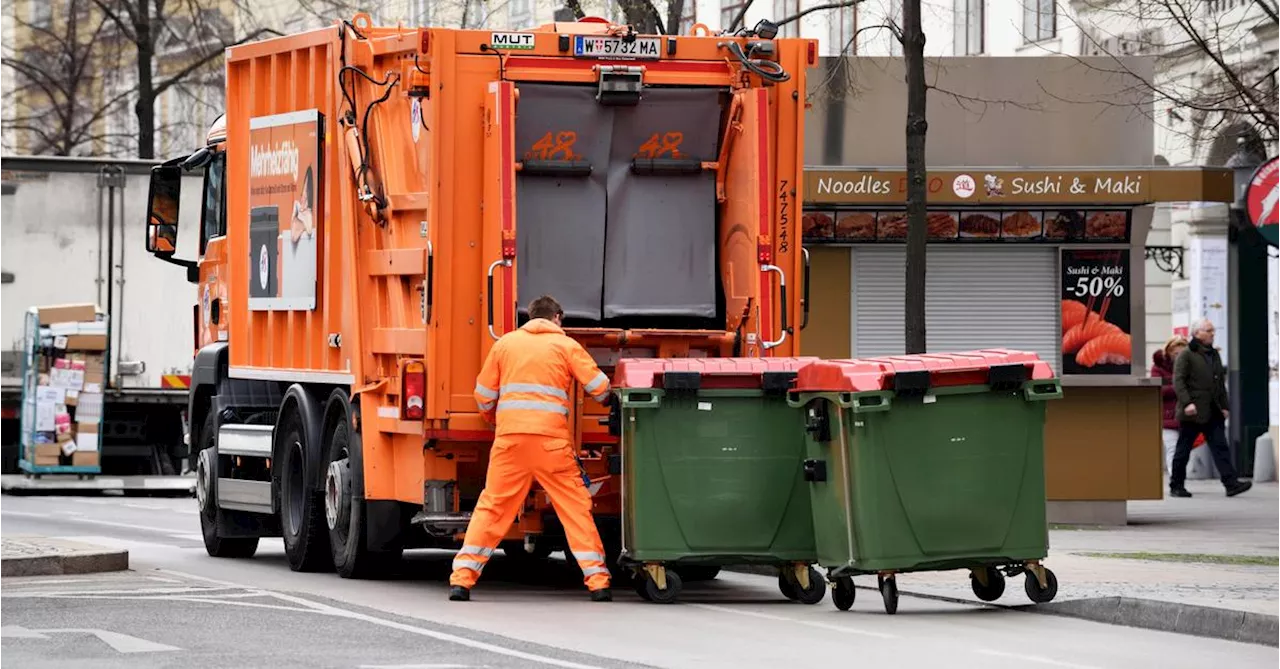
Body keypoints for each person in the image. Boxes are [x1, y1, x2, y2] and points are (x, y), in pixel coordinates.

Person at [448, 295, 614, 602]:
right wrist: (609, 402)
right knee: (575, 510)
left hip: (510, 442)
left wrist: (494, 419)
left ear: (529, 318)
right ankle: (598, 582)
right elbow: (600, 388)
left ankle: (462, 581)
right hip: (552, 445)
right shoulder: (566, 346)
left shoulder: (505, 345)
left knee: (493, 507)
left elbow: (484, 396)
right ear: (557, 318)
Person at [1170, 319, 1252, 498]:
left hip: (1213, 410)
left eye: (1213, 330)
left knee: (1220, 447)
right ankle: (1176, 485)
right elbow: (1179, 381)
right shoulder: (1187, 354)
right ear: (1197, 333)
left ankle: (1231, 484)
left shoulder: (1213, 354)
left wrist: (1225, 406)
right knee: (1183, 449)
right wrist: (1187, 403)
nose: (1212, 334)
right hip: (1193, 411)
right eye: (1208, 330)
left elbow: (1219, 383)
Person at [1151, 336, 1187, 473]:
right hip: (1167, 416)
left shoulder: (1190, 367)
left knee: (1183, 450)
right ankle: (1175, 479)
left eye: (1182, 354)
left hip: (1186, 415)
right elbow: (1159, 391)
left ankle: (1179, 477)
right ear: (1169, 353)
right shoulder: (1158, 368)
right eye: (1176, 353)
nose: (1179, 357)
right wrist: (1180, 386)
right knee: (1172, 447)